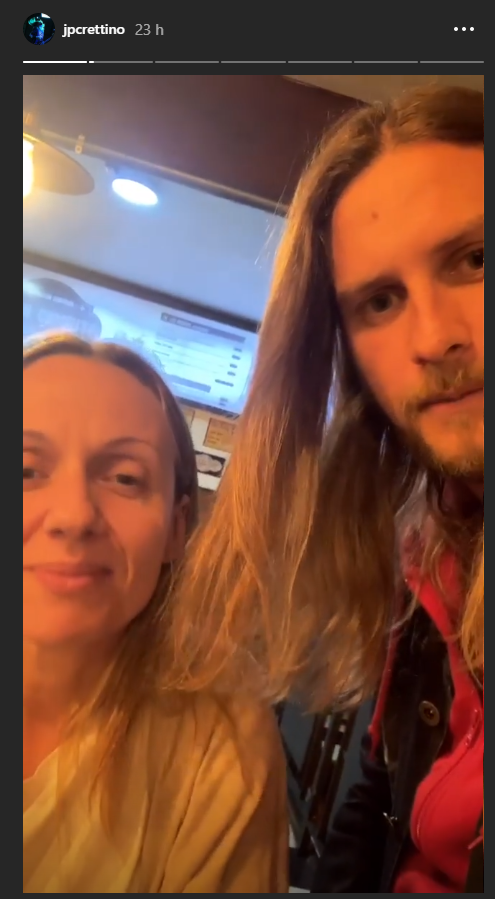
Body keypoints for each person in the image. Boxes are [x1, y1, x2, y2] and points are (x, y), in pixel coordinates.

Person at [164, 85, 484, 892]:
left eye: (475, 259)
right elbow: (379, 796)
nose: (433, 336)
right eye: (380, 300)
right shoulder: (429, 555)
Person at [23, 334, 288, 893]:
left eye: (125, 478)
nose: (73, 515)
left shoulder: (220, 733)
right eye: (25, 470)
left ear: (175, 528)